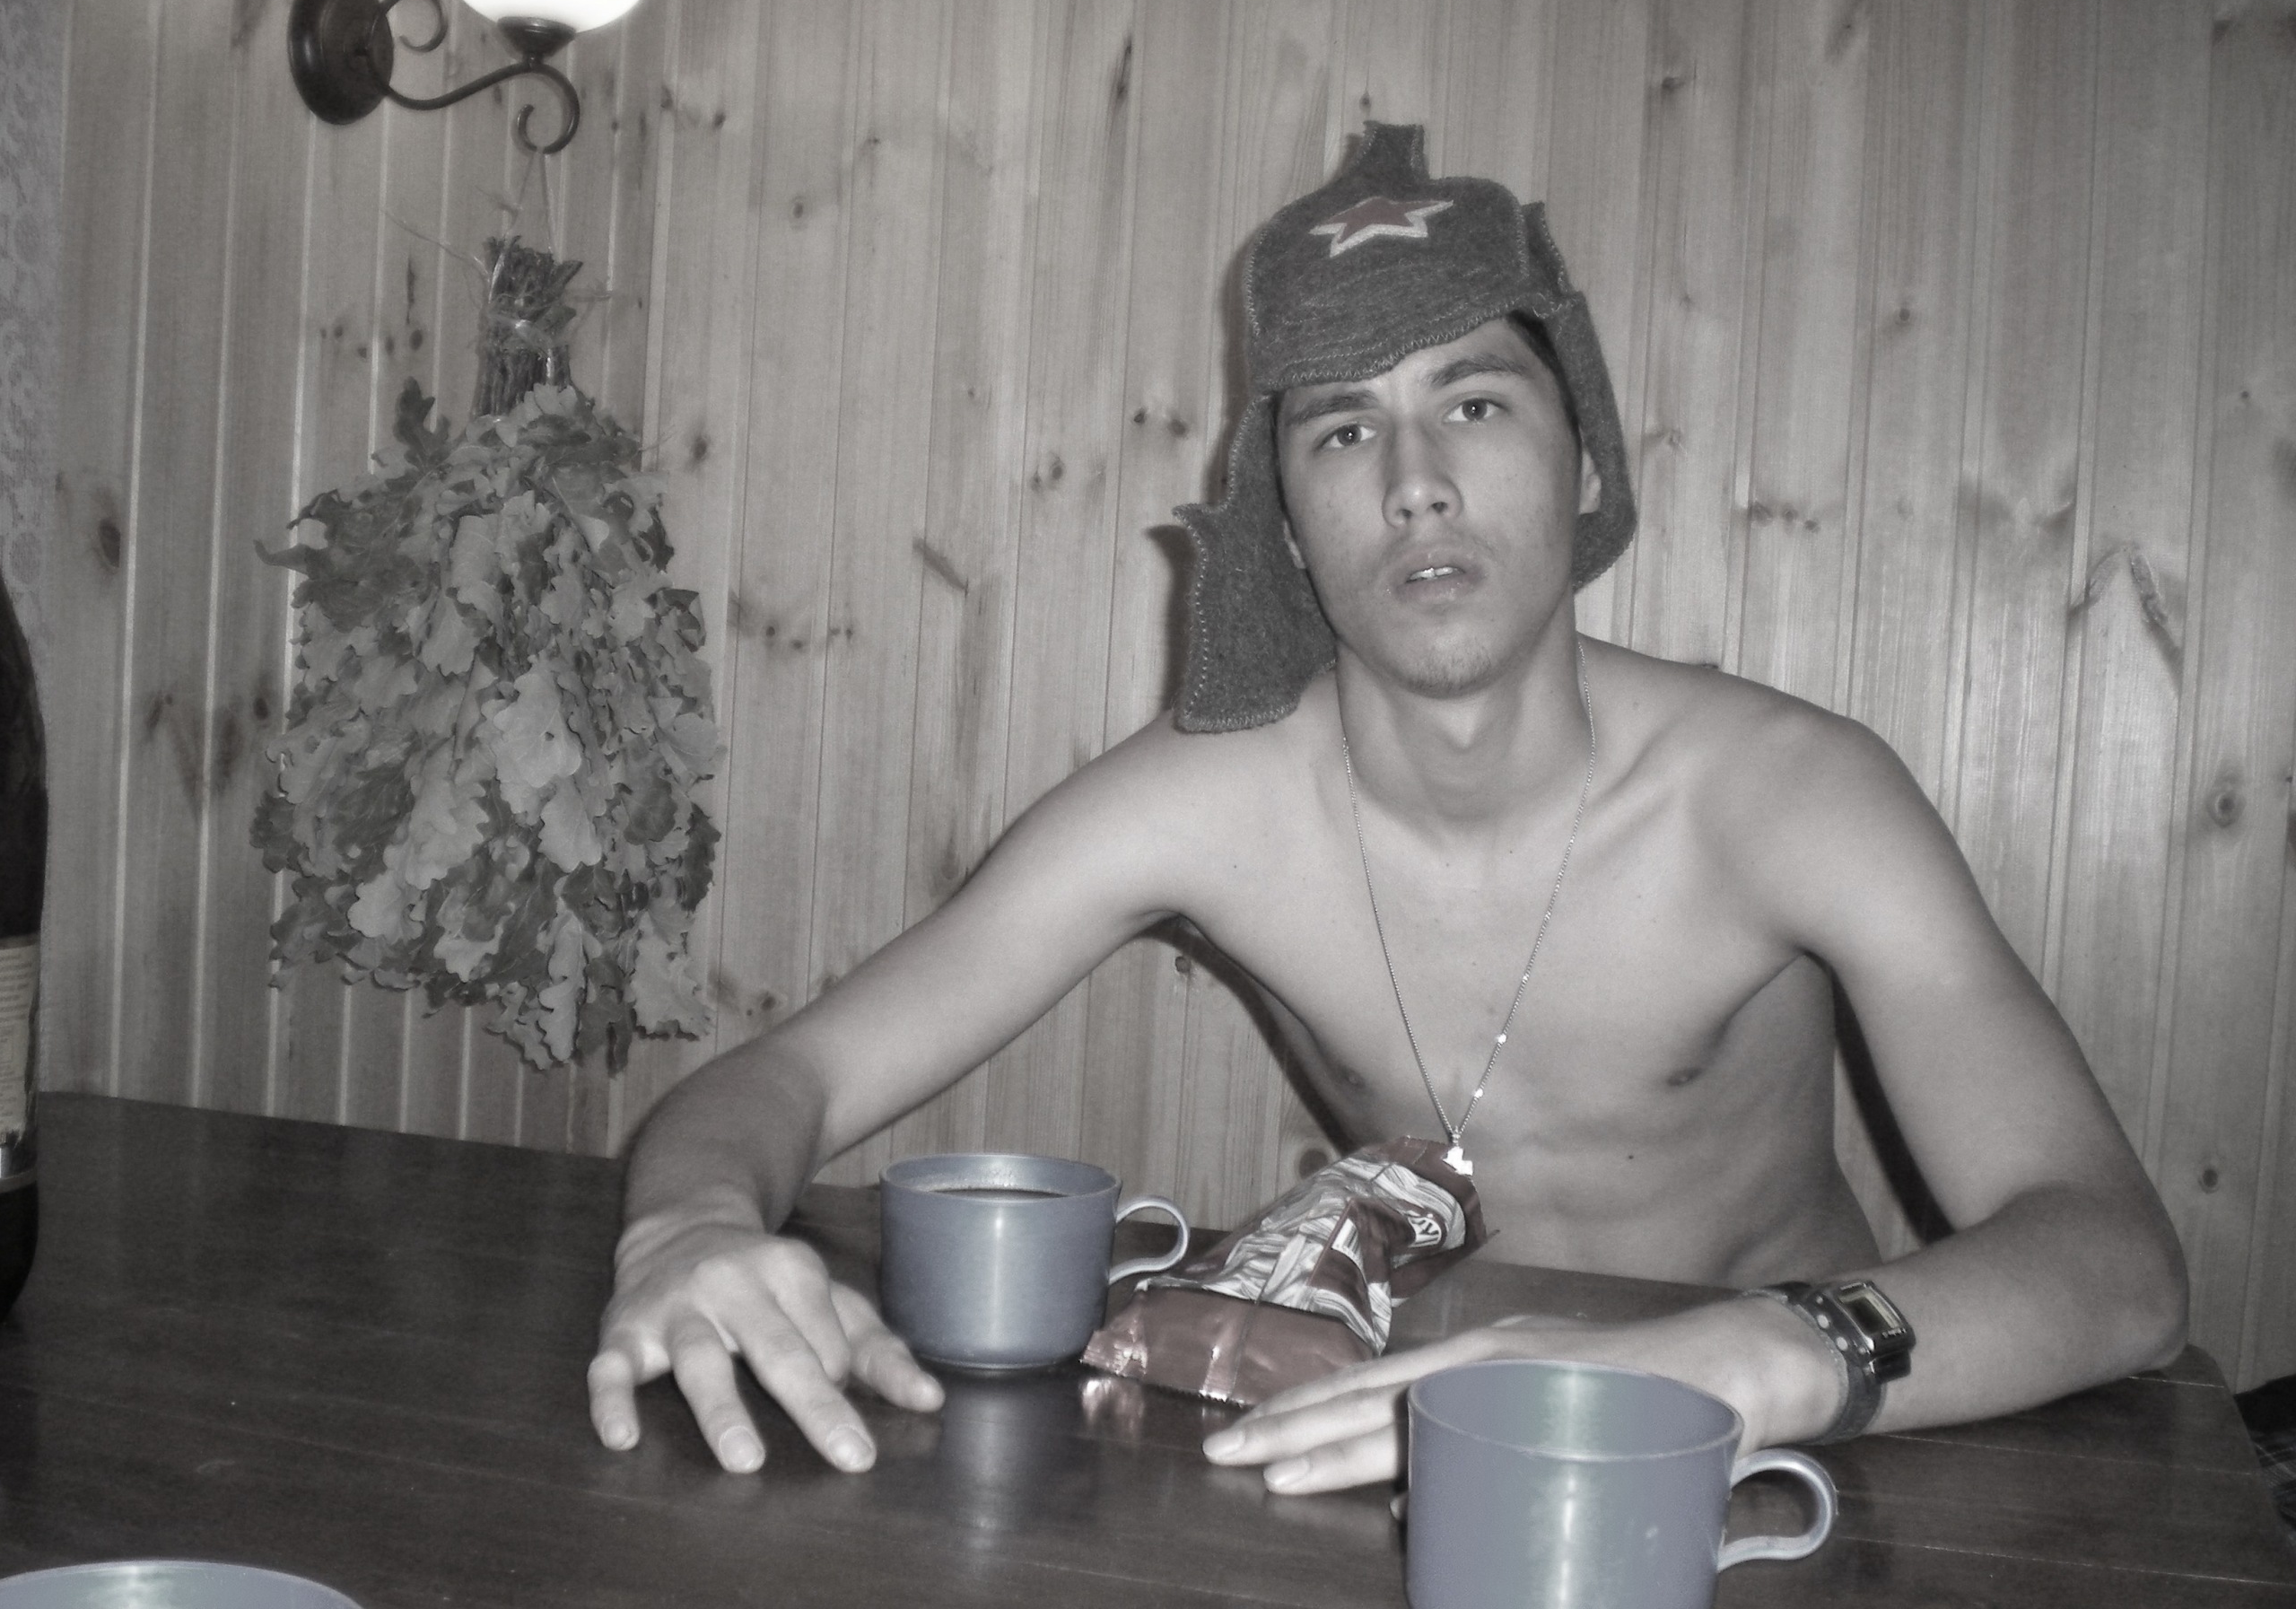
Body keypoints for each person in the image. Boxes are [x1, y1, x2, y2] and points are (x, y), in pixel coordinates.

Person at [586, 124, 2187, 1495]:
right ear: (1286, 525)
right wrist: (687, 1233)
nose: (1413, 480)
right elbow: (783, 1080)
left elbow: (2113, 1262)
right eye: (1344, 429)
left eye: (1474, 405)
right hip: (1415, 1434)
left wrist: (1752, 1360)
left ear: (1583, 462)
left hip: (1785, 1453)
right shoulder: (1202, 803)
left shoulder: (1793, 796)